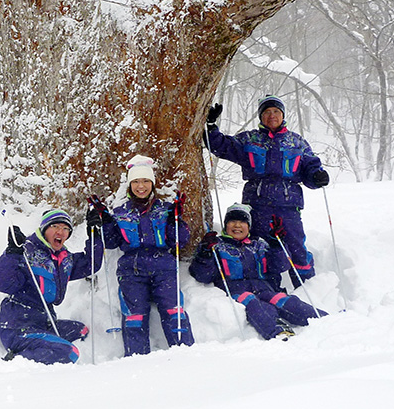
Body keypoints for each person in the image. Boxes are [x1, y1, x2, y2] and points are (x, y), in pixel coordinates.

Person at [205, 95, 330, 288]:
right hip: (257, 206)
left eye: (276, 112)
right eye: (267, 112)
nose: (272, 116)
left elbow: (311, 168)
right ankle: (268, 291)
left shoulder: (296, 142)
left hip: (288, 207)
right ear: (261, 117)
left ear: (283, 115)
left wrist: (317, 176)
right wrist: (211, 126)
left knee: (296, 247)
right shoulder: (249, 139)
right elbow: (221, 146)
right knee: (261, 250)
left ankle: (308, 288)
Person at [100, 154, 194, 356]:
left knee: (173, 310)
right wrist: (104, 222)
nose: (140, 186)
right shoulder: (120, 212)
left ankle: (186, 355)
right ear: (129, 185)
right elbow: (111, 242)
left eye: (145, 181)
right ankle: (137, 359)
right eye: (135, 181)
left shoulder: (165, 209)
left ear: (152, 184)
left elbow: (179, 240)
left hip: (164, 268)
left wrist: (178, 218)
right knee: (135, 316)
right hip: (131, 269)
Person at [189, 203, 326, 340]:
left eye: (242, 222)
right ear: (226, 225)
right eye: (232, 221)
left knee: (284, 301)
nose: (237, 225)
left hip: (265, 289)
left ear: (248, 226)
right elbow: (203, 275)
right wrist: (205, 254)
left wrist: (276, 245)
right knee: (254, 304)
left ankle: (325, 320)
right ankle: (276, 330)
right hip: (237, 291)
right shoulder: (218, 246)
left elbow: (281, 266)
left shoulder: (259, 244)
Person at [0, 209, 103, 364]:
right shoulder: (26, 251)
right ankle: (15, 361)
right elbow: (0, 282)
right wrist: (12, 253)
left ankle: (45, 346)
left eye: (65, 228)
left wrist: (95, 235)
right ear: (44, 228)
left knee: (81, 331)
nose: (60, 232)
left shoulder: (64, 259)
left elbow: (91, 263)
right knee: (69, 353)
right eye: (55, 226)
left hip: (44, 324)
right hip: (19, 327)